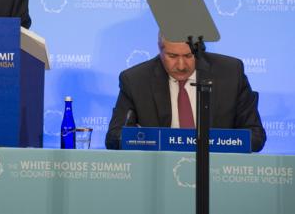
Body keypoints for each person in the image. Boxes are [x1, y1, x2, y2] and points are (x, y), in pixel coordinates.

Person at [105, 34, 266, 152]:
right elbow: (114, 138)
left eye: (189, 56)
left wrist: (218, 143)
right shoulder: (136, 80)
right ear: (160, 50)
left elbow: (256, 136)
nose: (181, 66)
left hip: (216, 170)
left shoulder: (230, 73)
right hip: (157, 170)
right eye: (172, 56)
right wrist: (152, 140)